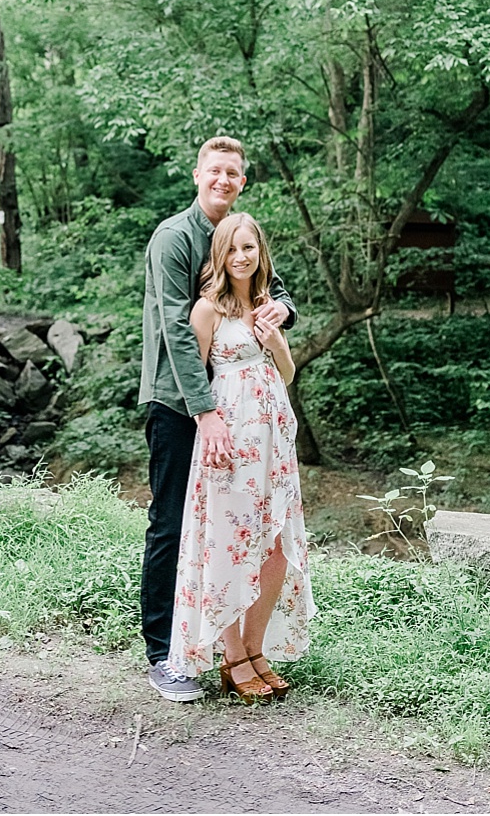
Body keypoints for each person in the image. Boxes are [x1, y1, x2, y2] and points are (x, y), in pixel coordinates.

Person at [139, 137, 297, 702]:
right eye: (215, 171)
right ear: (197, 175)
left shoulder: (235, 235)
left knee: (228, 532)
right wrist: (205, 412)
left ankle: (232, 650)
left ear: (242, 182)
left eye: (233, 173)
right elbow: (179, 329)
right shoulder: (174, 238)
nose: (223, 180)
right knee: (175, 524)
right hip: (179, 403)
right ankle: (165, 654)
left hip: (236, 413)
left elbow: (267, 289)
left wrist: (285, 310)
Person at [168, 212, 315, 702]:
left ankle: (256, 650)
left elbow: (289, 374)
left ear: (260, 251)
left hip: (274, 439)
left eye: (249, 247)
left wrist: (276, 342)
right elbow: (198, 376)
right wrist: (210, 427)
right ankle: (232, 659)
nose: (241, 257)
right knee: (231, 546)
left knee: (274, 546)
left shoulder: (268, 306)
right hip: (231, 442)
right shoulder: (207, 311)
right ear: (219, 256)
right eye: (231, 249)